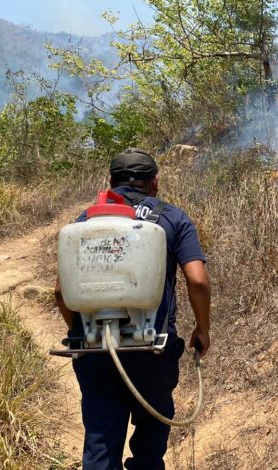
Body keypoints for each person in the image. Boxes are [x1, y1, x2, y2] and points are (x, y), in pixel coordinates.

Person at [54, 148, 211, 469]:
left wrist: (79, 333)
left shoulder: (85, 221)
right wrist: (202, 328)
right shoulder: (173, 217)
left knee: (100, 443)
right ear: (154, 183)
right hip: (152, 348)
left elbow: (60, 291)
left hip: (95, 349)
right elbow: (197, 281)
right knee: (152, 437)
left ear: (110, 182)